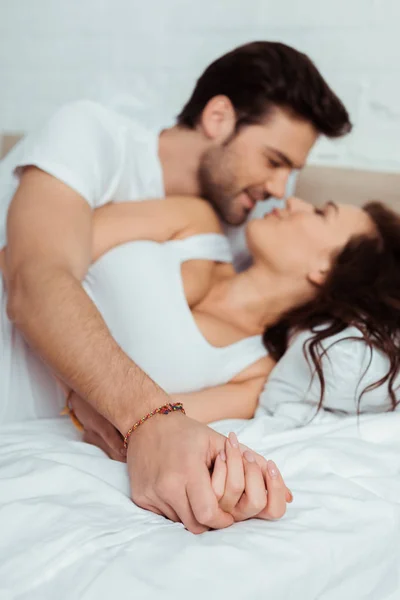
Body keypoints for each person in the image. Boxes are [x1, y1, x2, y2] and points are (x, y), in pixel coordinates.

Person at [0, 41, 352, 533]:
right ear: (218, 116)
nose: (280, 191)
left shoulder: (230, 236)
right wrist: (148, 415)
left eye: (291, 173)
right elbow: (34, 279)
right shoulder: (94, 135)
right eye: (274, 160)